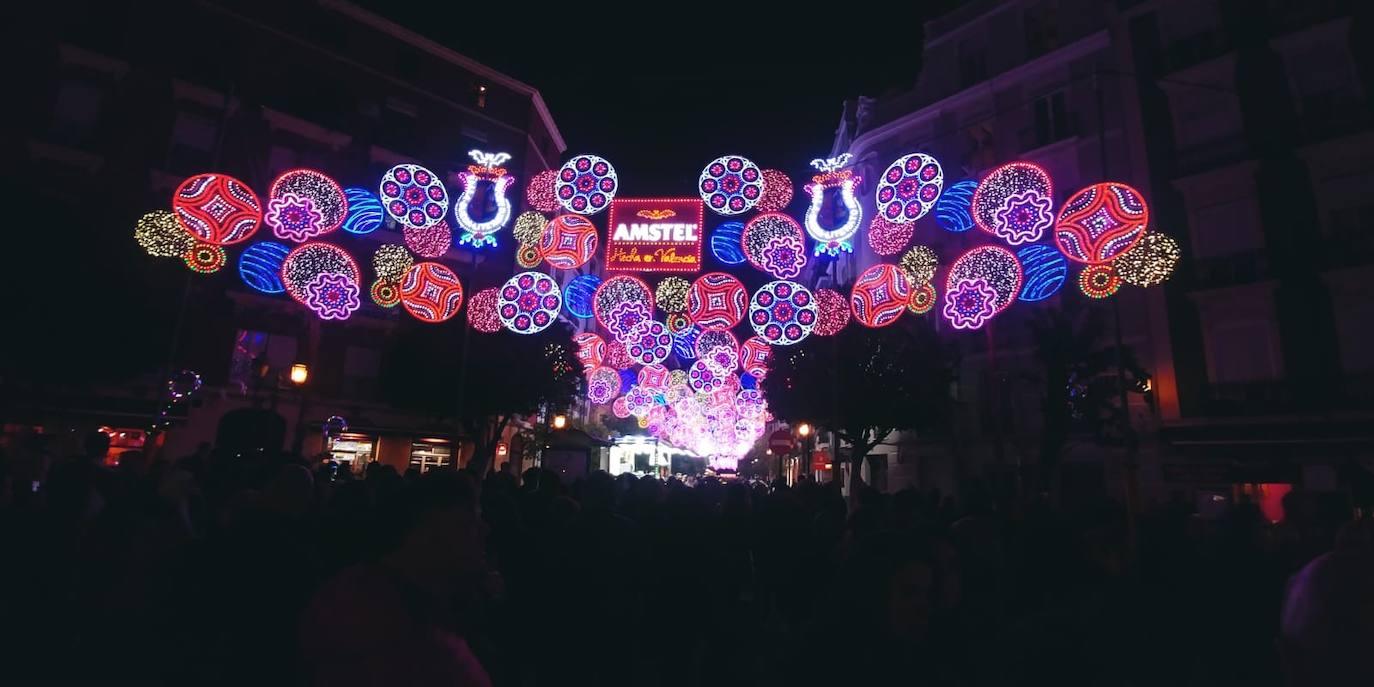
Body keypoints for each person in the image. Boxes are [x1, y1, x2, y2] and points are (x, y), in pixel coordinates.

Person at [299, 469, 491, 686]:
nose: (485, 530)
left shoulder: (398, 602)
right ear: (428, 530)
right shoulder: (377, 626)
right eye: (469, 522)